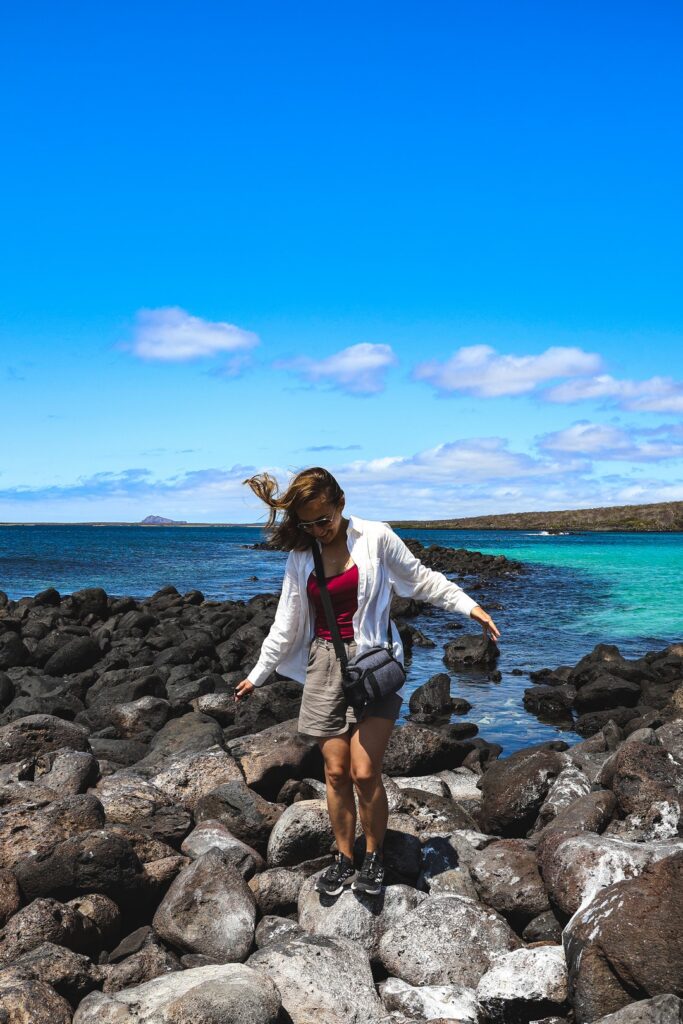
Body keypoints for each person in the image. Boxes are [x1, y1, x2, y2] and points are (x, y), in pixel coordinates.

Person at [235, 467, 500, 897]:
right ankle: (344, 858)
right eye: (308, 523)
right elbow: (286, 622)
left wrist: (470, 607)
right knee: (336, 772)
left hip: (374, 663)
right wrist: (257, 675)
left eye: (324, 520)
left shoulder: (375, 537)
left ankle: (374, 856)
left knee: (363, 770)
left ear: (341, 503)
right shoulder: (302, 555)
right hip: (323, 665)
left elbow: (421, 579)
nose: (319, 530)